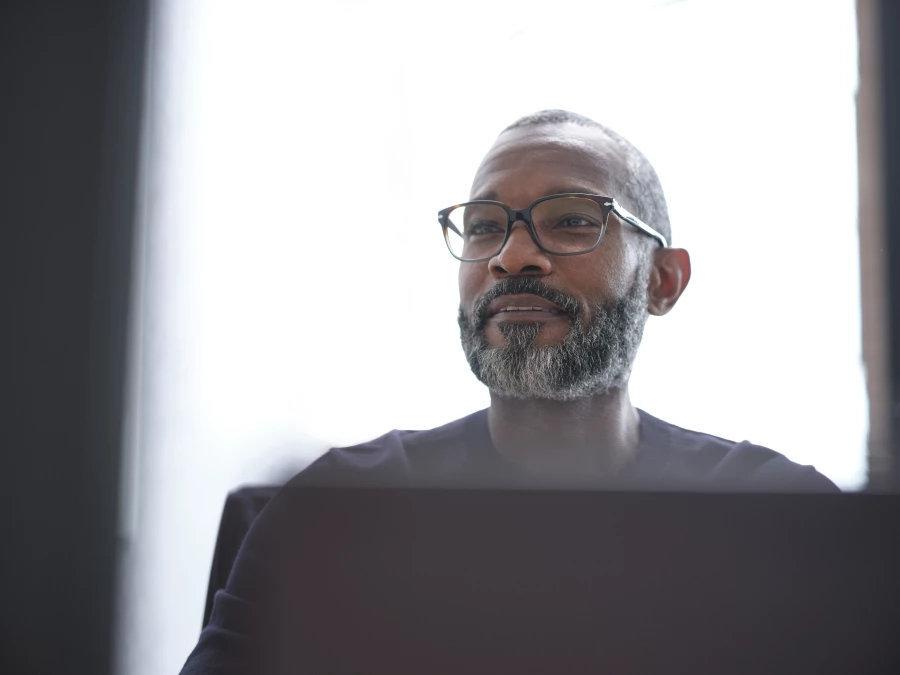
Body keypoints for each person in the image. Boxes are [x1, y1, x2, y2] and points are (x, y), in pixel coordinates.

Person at [180, 110, 837, 673]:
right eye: (483, 227)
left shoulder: (781, 522)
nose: (512, 255)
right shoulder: (336, 515)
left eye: (572, 220)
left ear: (662, 280)